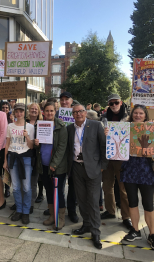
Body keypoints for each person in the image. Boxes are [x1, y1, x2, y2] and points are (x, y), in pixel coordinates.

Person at [107, 104, 154, 249]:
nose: (137, 115)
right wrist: (109, 134)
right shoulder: (125, 128)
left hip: (146, 172)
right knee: (132, 202)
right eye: (135, 113)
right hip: (130, 170)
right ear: (132, 115)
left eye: (141, 114)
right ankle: (135, 230)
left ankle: (152, 234)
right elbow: (114, 142)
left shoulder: (153, 128)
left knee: (148, 204)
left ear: (145, 115)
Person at [68, 104, 108, 249]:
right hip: (77, 168)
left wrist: (103, 166)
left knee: (92, 201)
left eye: (81, 111)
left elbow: (104, 145)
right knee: (81, 199)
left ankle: (95, 232)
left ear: (85, 113)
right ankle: (86, 225)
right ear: (72, 115)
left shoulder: (96, 125)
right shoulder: (70, 128)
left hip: (93, 169)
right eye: (75, 112)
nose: (78, 114)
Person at [100, 94, 132, 230]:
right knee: (107, 186)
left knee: (123, 189)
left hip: (122, 158)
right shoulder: (103, 118)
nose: (114, 105)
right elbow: (99, 136)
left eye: (116, 102)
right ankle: (110, 211)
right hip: (108, 156)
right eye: (111, 103)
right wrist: (103, 133)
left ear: (121, 103)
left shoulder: (129, 118)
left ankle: (126, 216)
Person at [35, 102, 68, 230]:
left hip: (57, 167)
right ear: (43, 112)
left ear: (55, 111)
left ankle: (61, 218)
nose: (49, 113)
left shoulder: (61, 126)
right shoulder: (41, 125)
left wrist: (54, 164)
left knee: (58, 192)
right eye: (47, 111)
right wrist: (36, 142)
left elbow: (61, 148)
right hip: (43, 164)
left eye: (51, 111)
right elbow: (39, 145)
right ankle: (52, 216)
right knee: (48, 191)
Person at [4, 103, 34, 224]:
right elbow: (7, 144)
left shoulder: (30, 127)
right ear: (14, 113)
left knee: (26, 187)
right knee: (15, 187)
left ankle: (26, 211)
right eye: (17, 111)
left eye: (21, 111)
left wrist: (27, 137)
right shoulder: (10, 126)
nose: (19, 113)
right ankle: (19, 209)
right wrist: (5, 160)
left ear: (24, 112)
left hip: (25, 158)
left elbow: (32, 146)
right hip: (12, 157)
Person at [53, 91, 79, 223]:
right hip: (61, 154)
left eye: (66, 99)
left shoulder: (77, 113)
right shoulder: (57, 114)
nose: (64, 102)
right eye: (61, 100)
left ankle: (72, 210)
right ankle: (58, 207)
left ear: (71, 100)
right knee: (60, 183)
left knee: (73, 184)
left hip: (74, 153)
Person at [27, 103, 44, 205]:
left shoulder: (42, 123)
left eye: (36, 109)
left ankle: (35, 198)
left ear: (39, 111)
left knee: (36, 178)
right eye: (32, 109)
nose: (34, 110)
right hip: (25, 153)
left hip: (37, 154)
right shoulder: (24, 122)